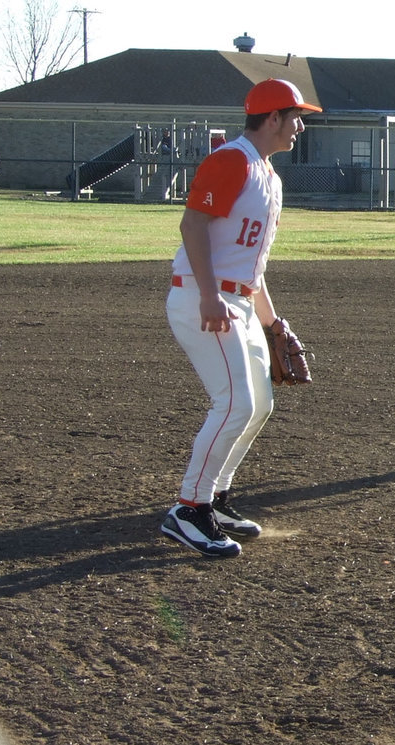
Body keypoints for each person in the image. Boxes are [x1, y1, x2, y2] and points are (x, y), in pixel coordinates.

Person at [160, 78, 321, 558]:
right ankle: (189, 510)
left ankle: (217, 498)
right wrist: (210, 295)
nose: (299, 127)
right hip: (204, 299)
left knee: (259, 404)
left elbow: (252, 268)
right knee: (233, 403)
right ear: (271, 117)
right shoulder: (232, 159)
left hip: (240, 301)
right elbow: (193, 225)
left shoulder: (267, 175)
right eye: (295, 117)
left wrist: (272, 322)